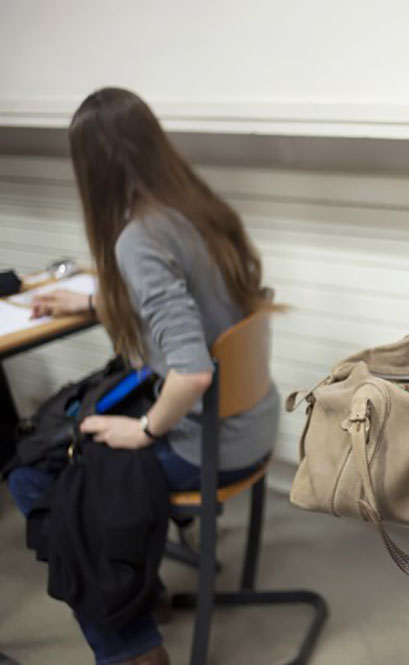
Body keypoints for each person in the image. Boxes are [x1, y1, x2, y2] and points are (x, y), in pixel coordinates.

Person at [6, 87, 280, 665]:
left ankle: (130, 648)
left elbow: (193, 371)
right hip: (251, 421)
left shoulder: (139, 238)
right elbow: (194, 308)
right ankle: (139, 590)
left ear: (92, 168)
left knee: (35, 475)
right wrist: (92, 303)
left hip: (207, 442)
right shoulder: (199, 208)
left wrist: (145, 431)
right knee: (70, 437)